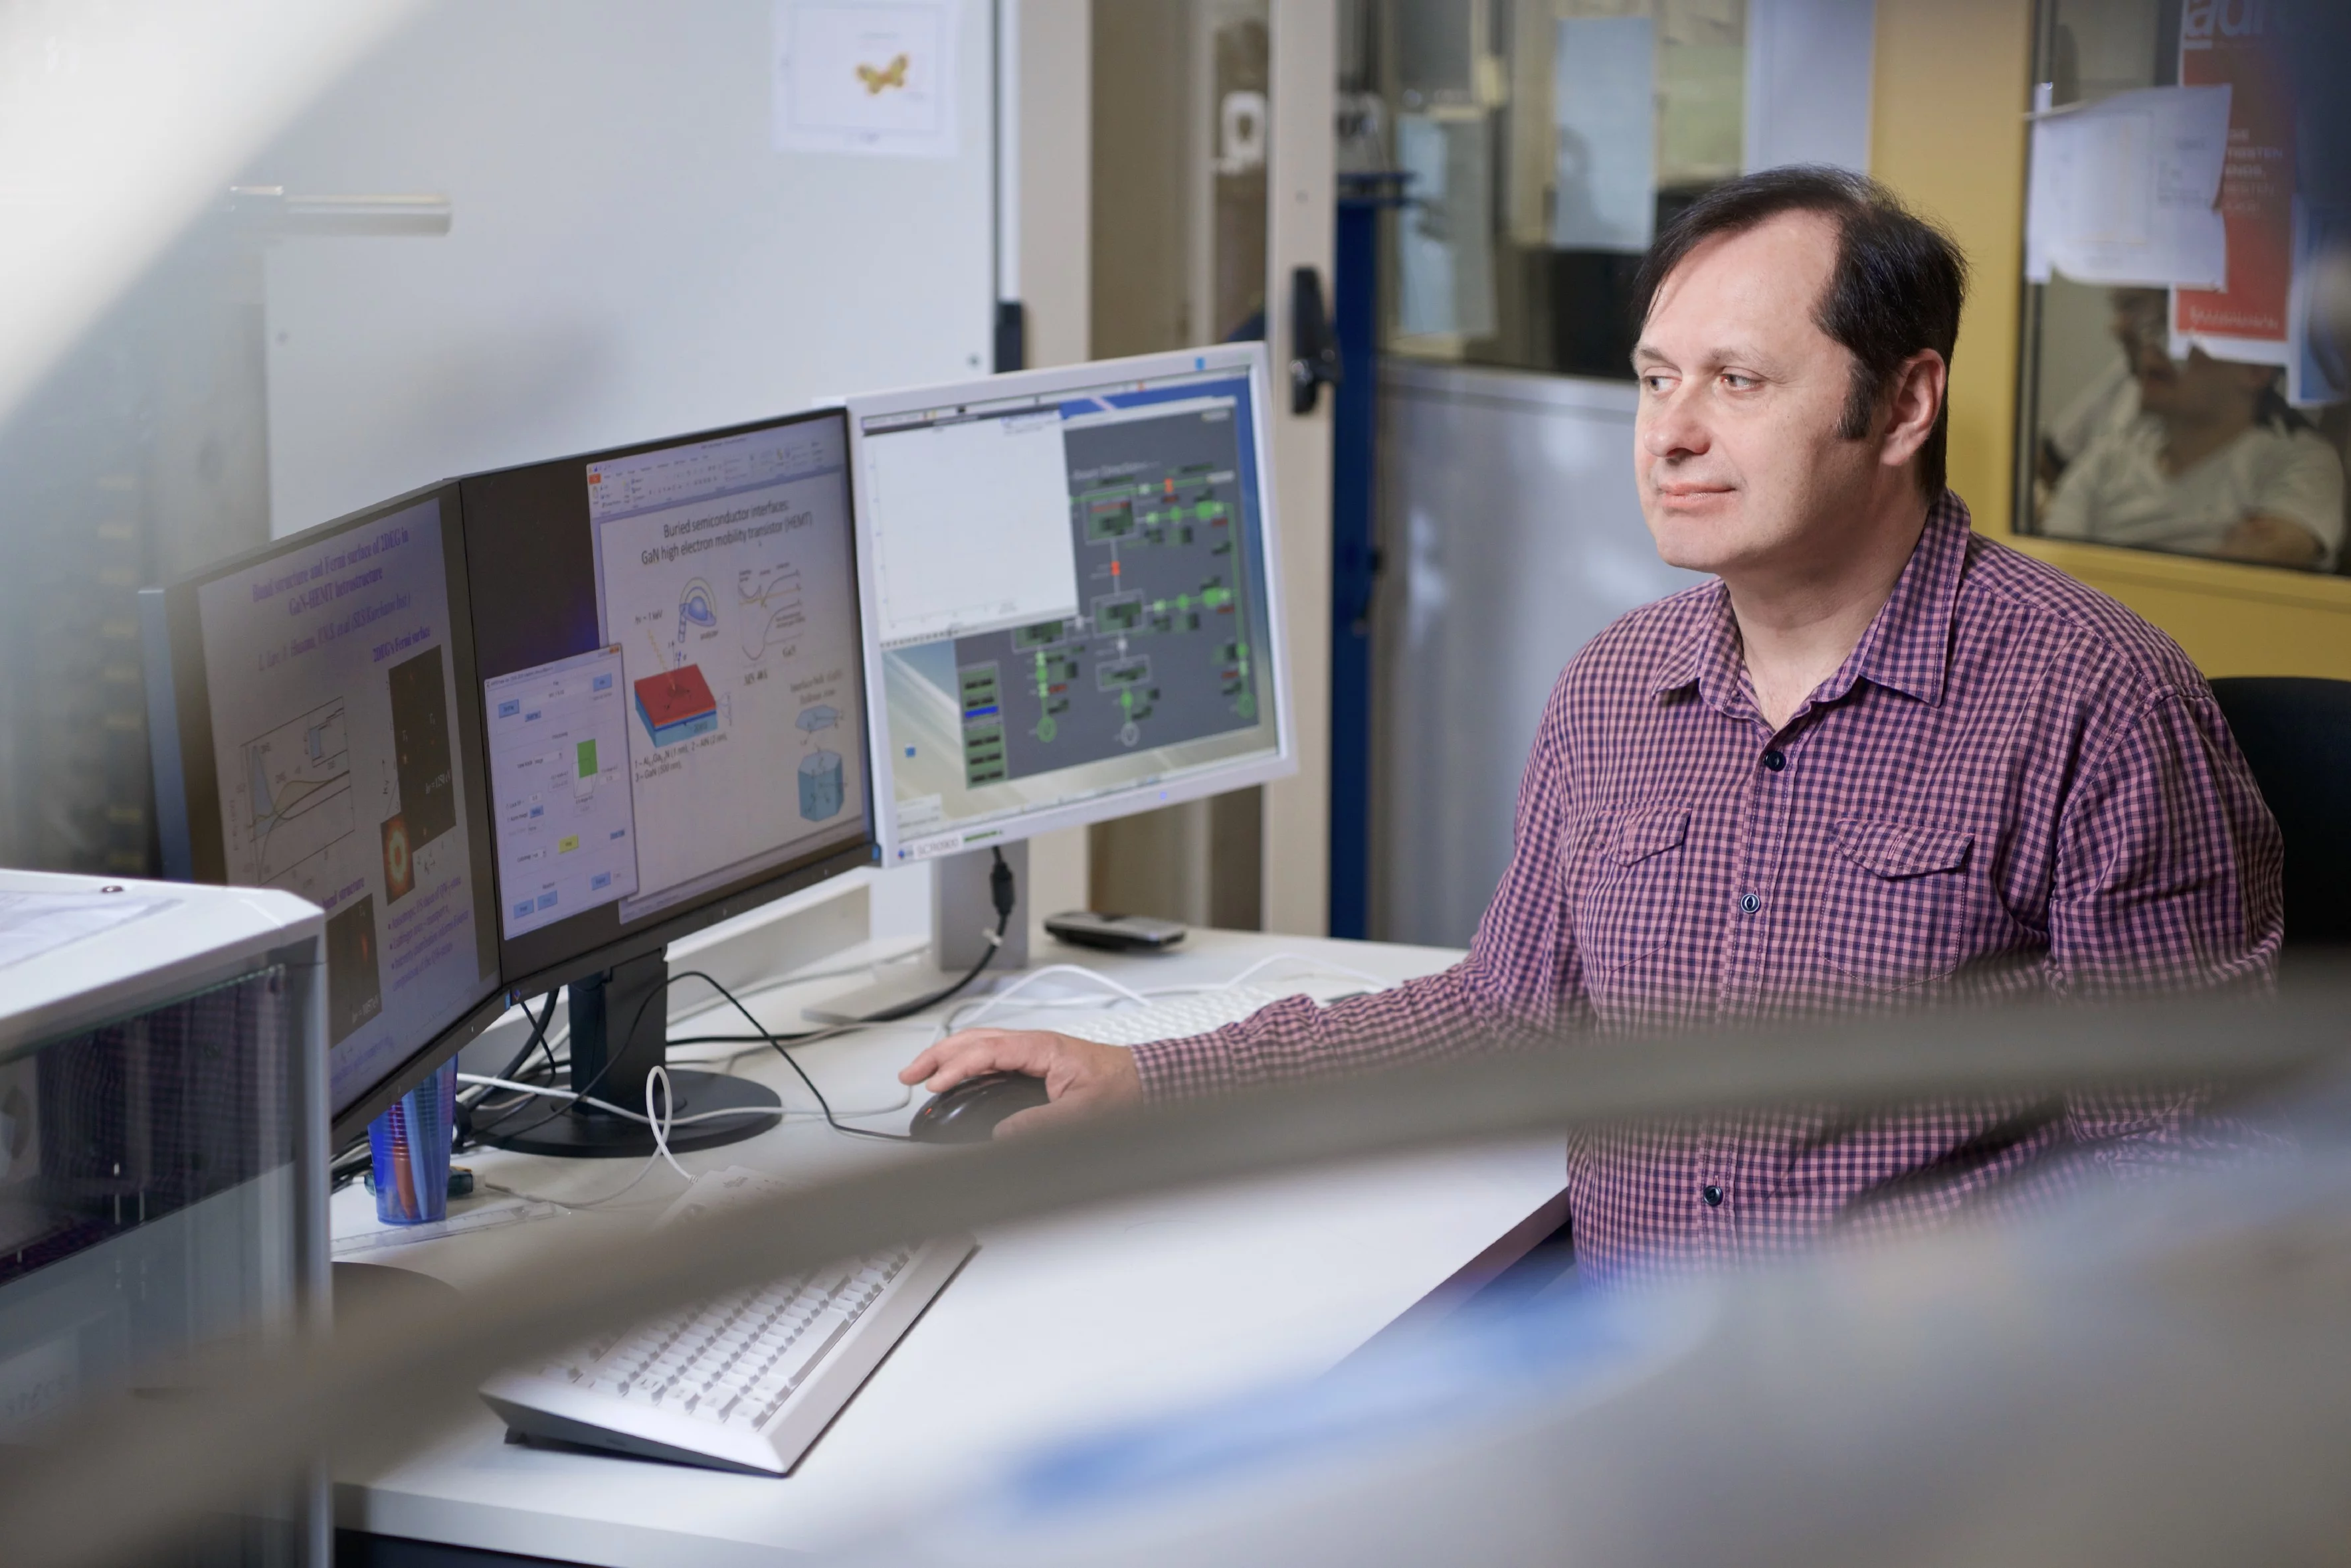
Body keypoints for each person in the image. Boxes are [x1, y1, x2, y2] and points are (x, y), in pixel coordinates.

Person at [901, 168, 2284, 1286]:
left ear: (1903, 405)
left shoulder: (2094, 701)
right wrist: (1152, 1076)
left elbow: (2179, 1164)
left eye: (1736, 382)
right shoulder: (1616, 690)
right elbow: (1504, 1015)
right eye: (1651, 377)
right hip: (1633, 1396)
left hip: (1923, 1430)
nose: (1669, 434)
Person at [2041, 288, 2344, 570]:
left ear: (2256, 370)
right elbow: (2056, 574)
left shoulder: (2303, 462)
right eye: (2155, 333)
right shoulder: (2106, 459)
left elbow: (2249, 576)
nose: (2150, 352)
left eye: (2183, 338)